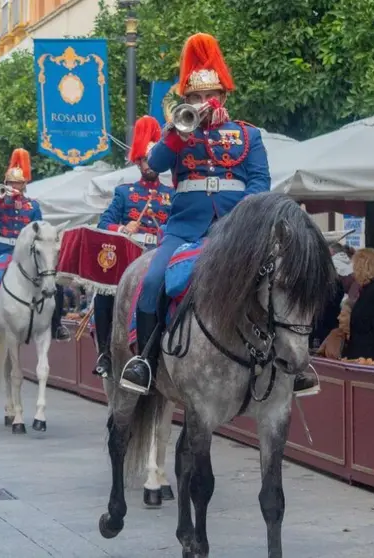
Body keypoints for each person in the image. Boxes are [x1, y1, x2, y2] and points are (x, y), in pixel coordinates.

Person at [120, 33, 316, 396]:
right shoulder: (177, 132)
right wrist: (180, 131)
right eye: (193, 98)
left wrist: (243, 223)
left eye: (208, 97)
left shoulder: (247, 135)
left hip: (236, 232)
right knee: (151, 282)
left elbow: (259, 181)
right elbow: (157, 165)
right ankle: (144, 361)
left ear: (223, 96)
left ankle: (295, 362)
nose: (202, 103)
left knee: (282, 278)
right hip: (184, 229)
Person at [91, 115, 174, 377]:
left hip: (160, 253)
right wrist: (123, 229)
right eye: (143, 159)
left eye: (152, 160)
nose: (148, 165)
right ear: (137, 161)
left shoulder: (173, 194)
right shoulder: (124, 192)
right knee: (103, 296)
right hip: (130, 254)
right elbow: (105, 222)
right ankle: (105, 353)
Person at [0, 148, 70, 347]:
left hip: (26, 254)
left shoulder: (32, 207)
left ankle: (57, 324)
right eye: (10, 183)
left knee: (55, 284)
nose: (14, 186)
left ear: (24, 185)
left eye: (18, 183)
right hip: (1, 251)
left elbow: (40, 232)